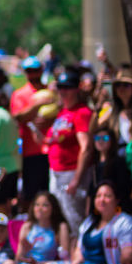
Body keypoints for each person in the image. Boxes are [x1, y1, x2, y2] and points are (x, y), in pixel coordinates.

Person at [39, 70, 93, 235]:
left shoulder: (82, 112)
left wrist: (76, 179)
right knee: (58, 215)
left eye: (67, 87)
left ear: (77, 89)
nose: (63, 91)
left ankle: (77, 252)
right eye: (60, 87)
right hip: (56, 172)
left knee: (73, 217)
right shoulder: (62, 112)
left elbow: (86, 147)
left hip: (71, 173)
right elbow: (50, 142)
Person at [71, 180, 132, 264]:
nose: (102, 200)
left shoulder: (124, 222)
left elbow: (127, 255)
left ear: (117, 200)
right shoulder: (89, 222)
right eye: (98, 196)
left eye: (107, 196)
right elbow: (78, 251)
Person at [10, 56, 51, 205]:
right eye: (29, 71)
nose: (33, 75)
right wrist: (37, 105)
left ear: (41, 70)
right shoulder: (20, 94)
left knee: (50, 194)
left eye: (35, 71)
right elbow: (19, 117)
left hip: (51, 150)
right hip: (30, 152)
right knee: (31, 197)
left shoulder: (51, 91)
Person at [17, 191, 72, 264]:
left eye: (45, 205)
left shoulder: (60, 227)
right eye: (37, 205)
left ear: (53, 208)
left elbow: (65, 257)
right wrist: (24, 250)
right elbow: (18, 258)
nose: (40, 208)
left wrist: (39, 263)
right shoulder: (28, 226)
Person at [94, 67, 132, 168]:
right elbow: (94, 128)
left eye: (126, 85)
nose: (121, 88)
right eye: (118, 85)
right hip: (120, 164)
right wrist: (99, 105)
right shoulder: (112, 111)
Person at [90, 127, 132, 210]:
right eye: (97, 138)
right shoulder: (95, 165)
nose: (100, 141)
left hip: (117, 208)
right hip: (100, 209)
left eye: (105, 138)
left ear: (112, 141)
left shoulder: (119, 162)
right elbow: (91, 191)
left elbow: (123, 189)